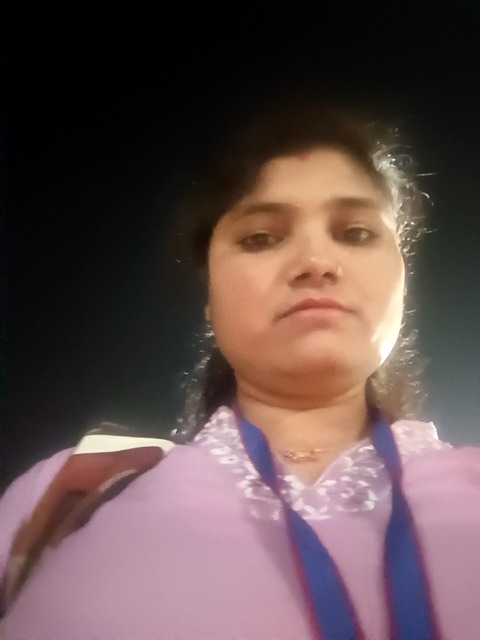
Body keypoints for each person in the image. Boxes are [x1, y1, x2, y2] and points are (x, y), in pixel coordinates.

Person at [1, 104, 479, 640]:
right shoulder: (69, 493)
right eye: (261, 238)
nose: (316, 261)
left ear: (402, 277)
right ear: (209, 295)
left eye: (355, 232)